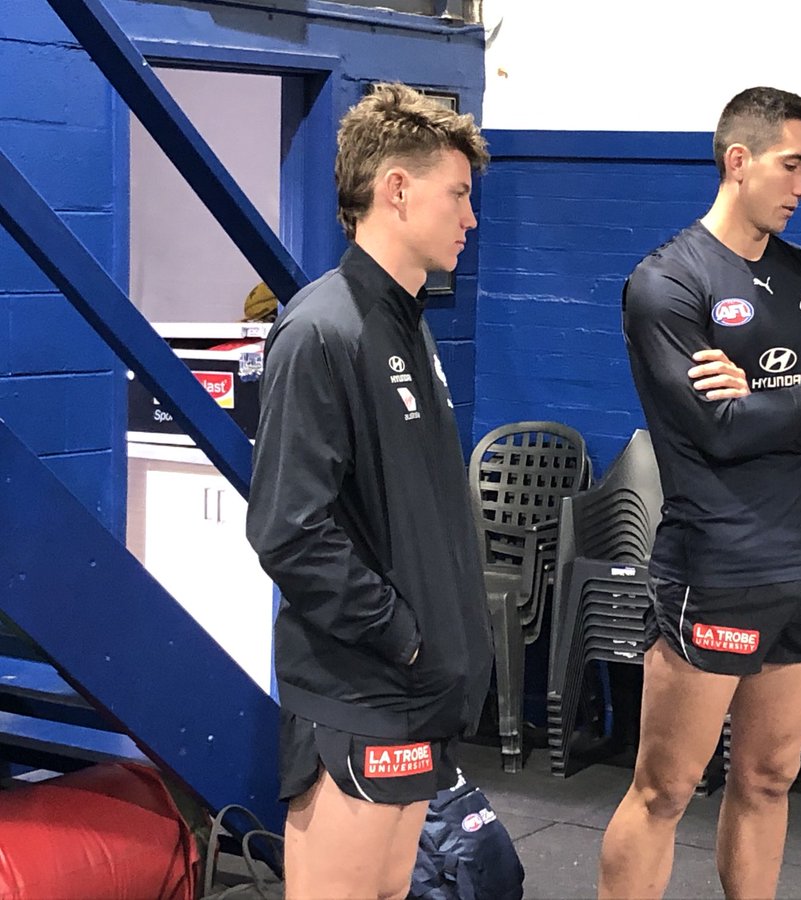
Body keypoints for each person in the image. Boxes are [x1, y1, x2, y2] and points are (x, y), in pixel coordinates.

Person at [600, 86, 801, 899]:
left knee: (769, 780)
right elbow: (716, 433)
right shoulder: (665, 283)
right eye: (793, 166)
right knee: (665, 792)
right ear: (738, 161)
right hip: (714, 566)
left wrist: (755, 397)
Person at [246, 83, 493, 899]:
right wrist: (401, 634)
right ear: (396, 189)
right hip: (359, 694)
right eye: (457, 194)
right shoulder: (324, 329)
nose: (470, 217)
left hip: (416, 693)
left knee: (393, 892)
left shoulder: (406, 322)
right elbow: (289, 530)